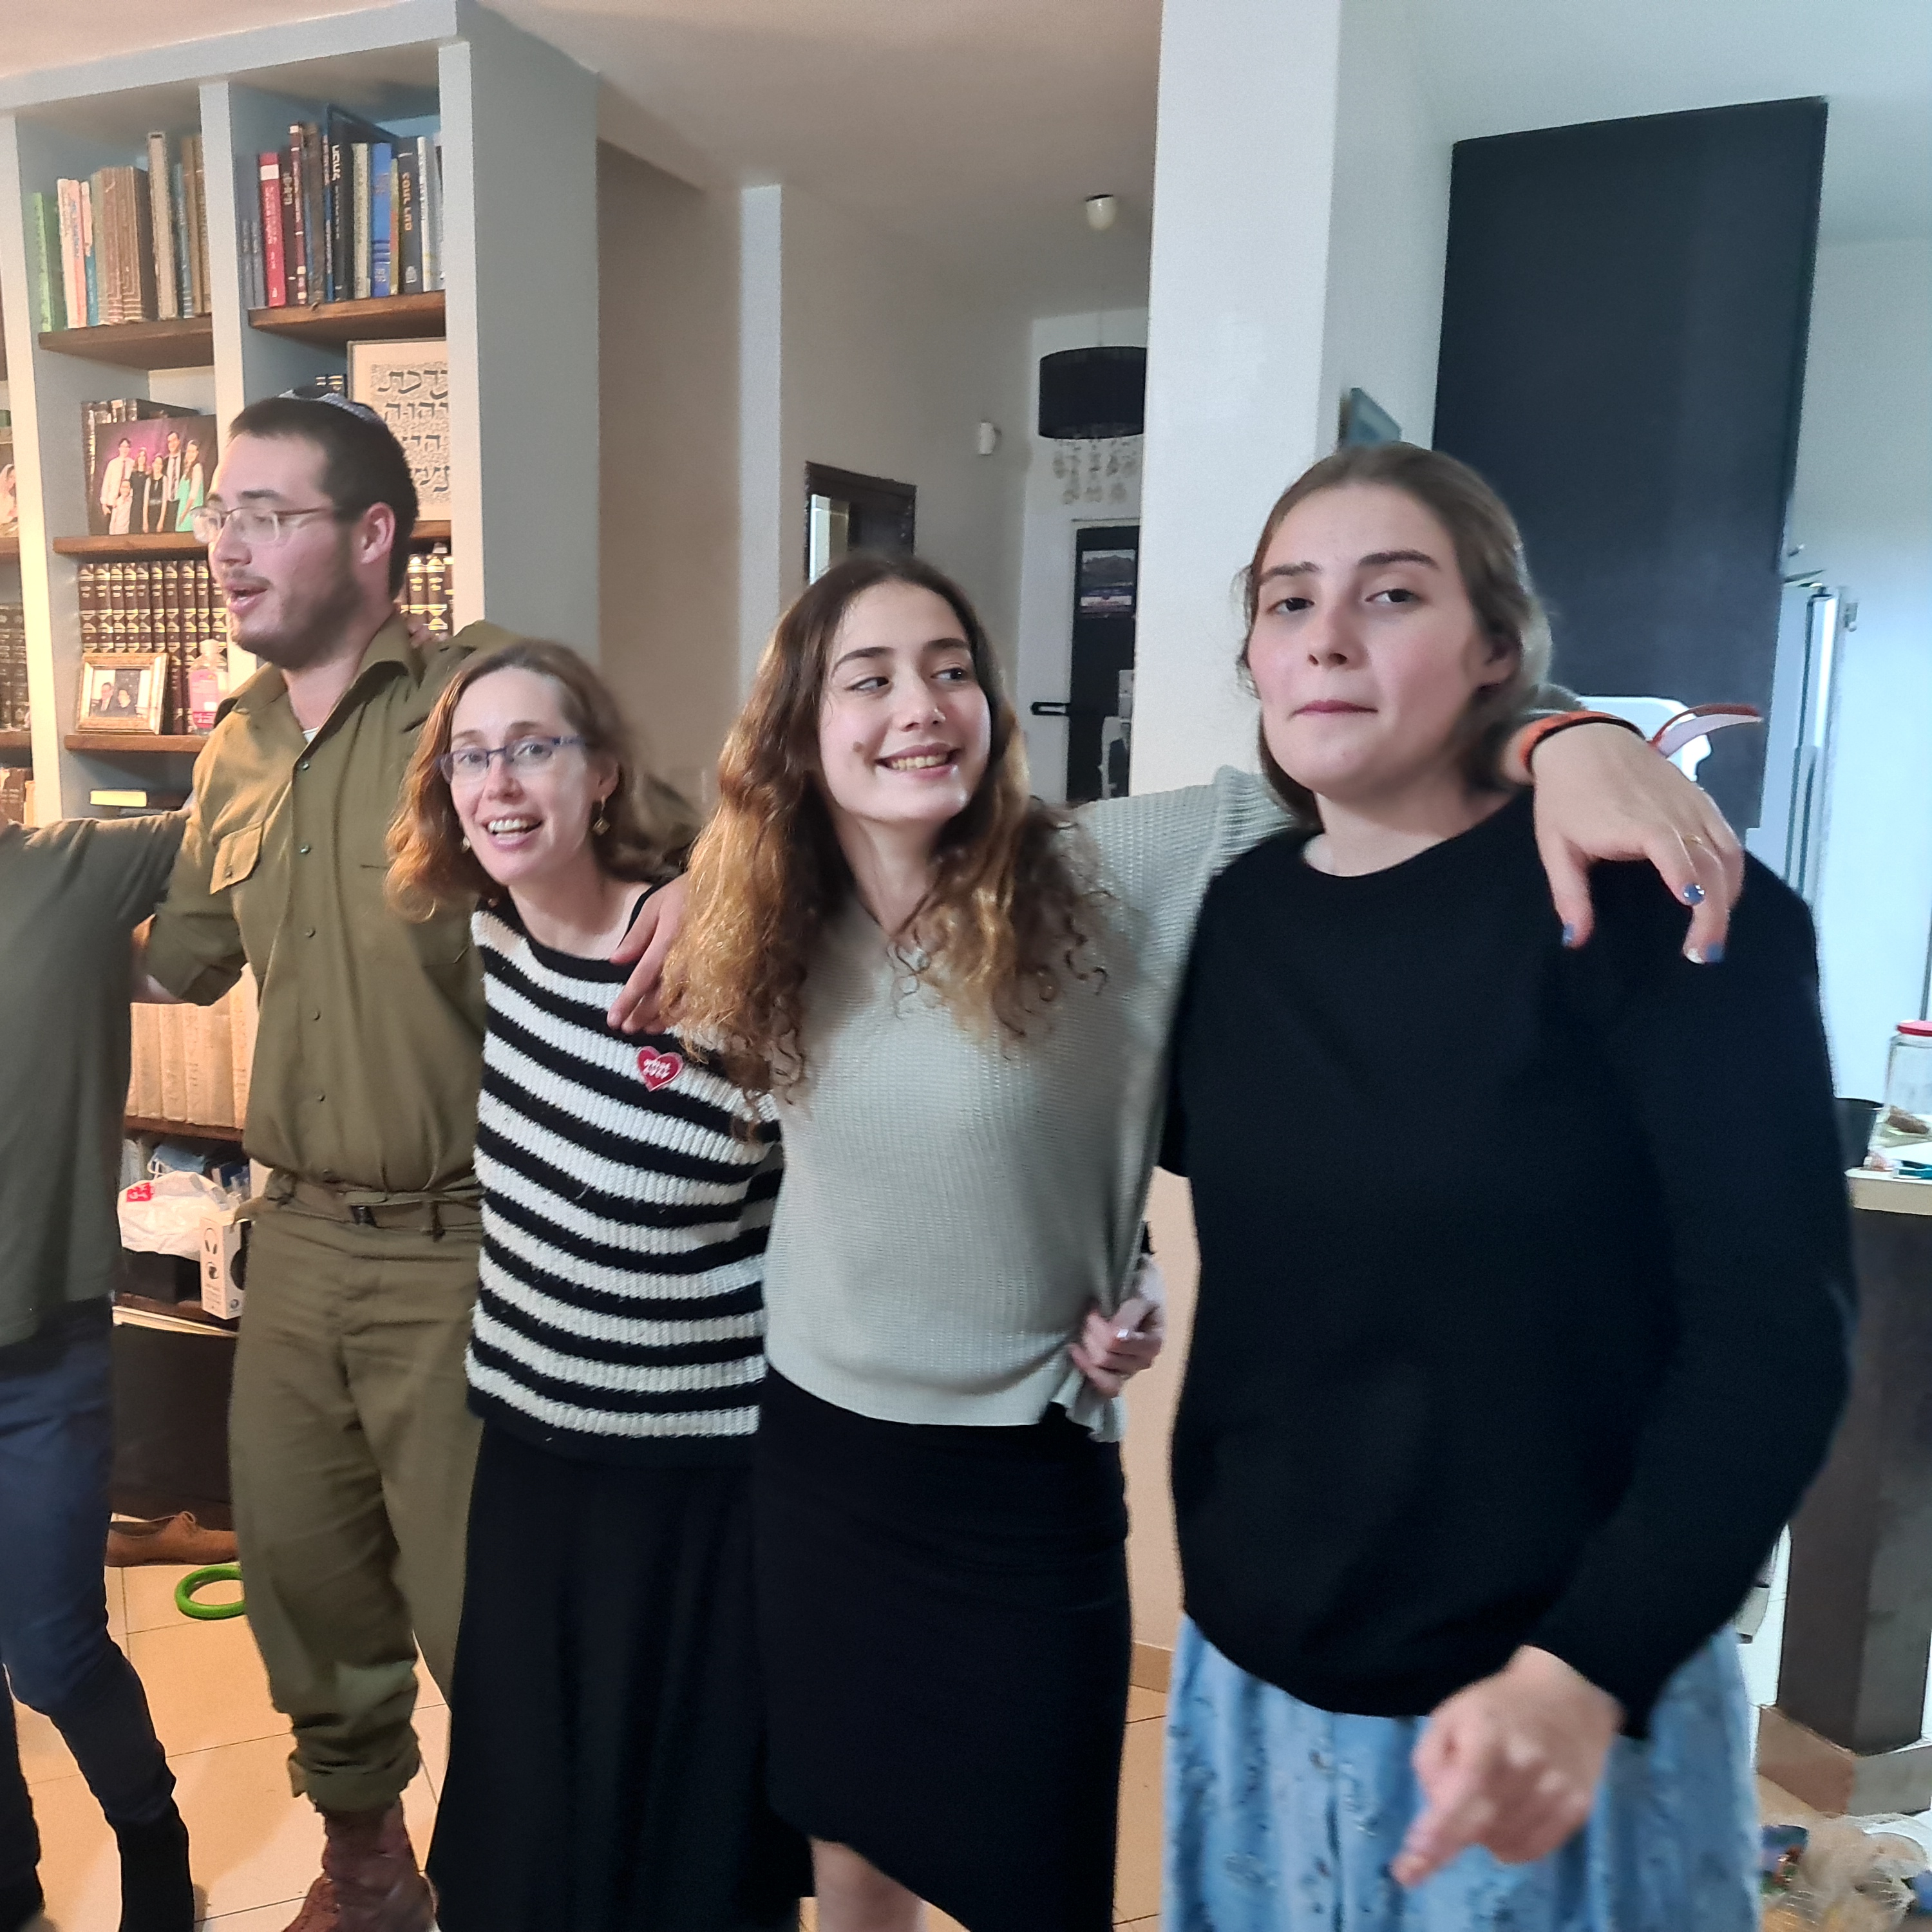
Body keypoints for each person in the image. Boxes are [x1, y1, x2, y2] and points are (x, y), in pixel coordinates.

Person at [655, 547, 1745, 1932]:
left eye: (951, 670)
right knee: (850, 1860)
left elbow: (1363, 759)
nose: (920, 706)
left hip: (1016, 1488)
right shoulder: (763, 920)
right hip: (819, 1467)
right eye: (869, 680)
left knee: (1027, 1879)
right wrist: (696, 878)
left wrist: (1562, 736)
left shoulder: (1098, 871)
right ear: (801, 731)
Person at [1158, 442, 1853, 1931]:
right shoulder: (1242, 913)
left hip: (1540, 1712)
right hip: (1255, 1682)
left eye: (1390, 593)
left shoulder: (1660, 911)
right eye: (1288, 602)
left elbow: (1776, 1343)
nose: (1326, 638)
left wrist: (1584, 1668)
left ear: (1493, 648)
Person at [137, 394, 515, 1932]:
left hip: (465, 1247)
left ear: (371, 537)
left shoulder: (485, 700)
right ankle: (369, 1871)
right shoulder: (237, 746)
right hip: (289, 1244)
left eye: (266, 515)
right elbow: (182, 958)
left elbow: (666, 879)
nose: (227, 547)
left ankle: (521, 1875)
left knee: (489, 1613)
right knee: (304, 1581)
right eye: (217, 515)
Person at [385, 641, 810, 1930]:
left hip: (698, 1484)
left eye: (535, 748)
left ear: (606, 771)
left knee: (685, 1856)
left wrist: (712, 877)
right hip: (532, 1462)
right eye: (473, 757)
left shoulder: (715, 958)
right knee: (525, 1844)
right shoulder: (492, 938)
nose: (500, 783)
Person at [0, 808, 196, 1932]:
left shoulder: (77, 866)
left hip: (43, 1359)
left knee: (54, 1653)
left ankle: (151, 1832)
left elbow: (259, 809)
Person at [171, 440, 205, 535]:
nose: (190, 454)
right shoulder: (187, 469)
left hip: (190, 513)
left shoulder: (197, 468)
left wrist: (184, 515)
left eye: (193, 452)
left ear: (197, 453)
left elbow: (193, 495)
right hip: (183, 509)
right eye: (189, 451)